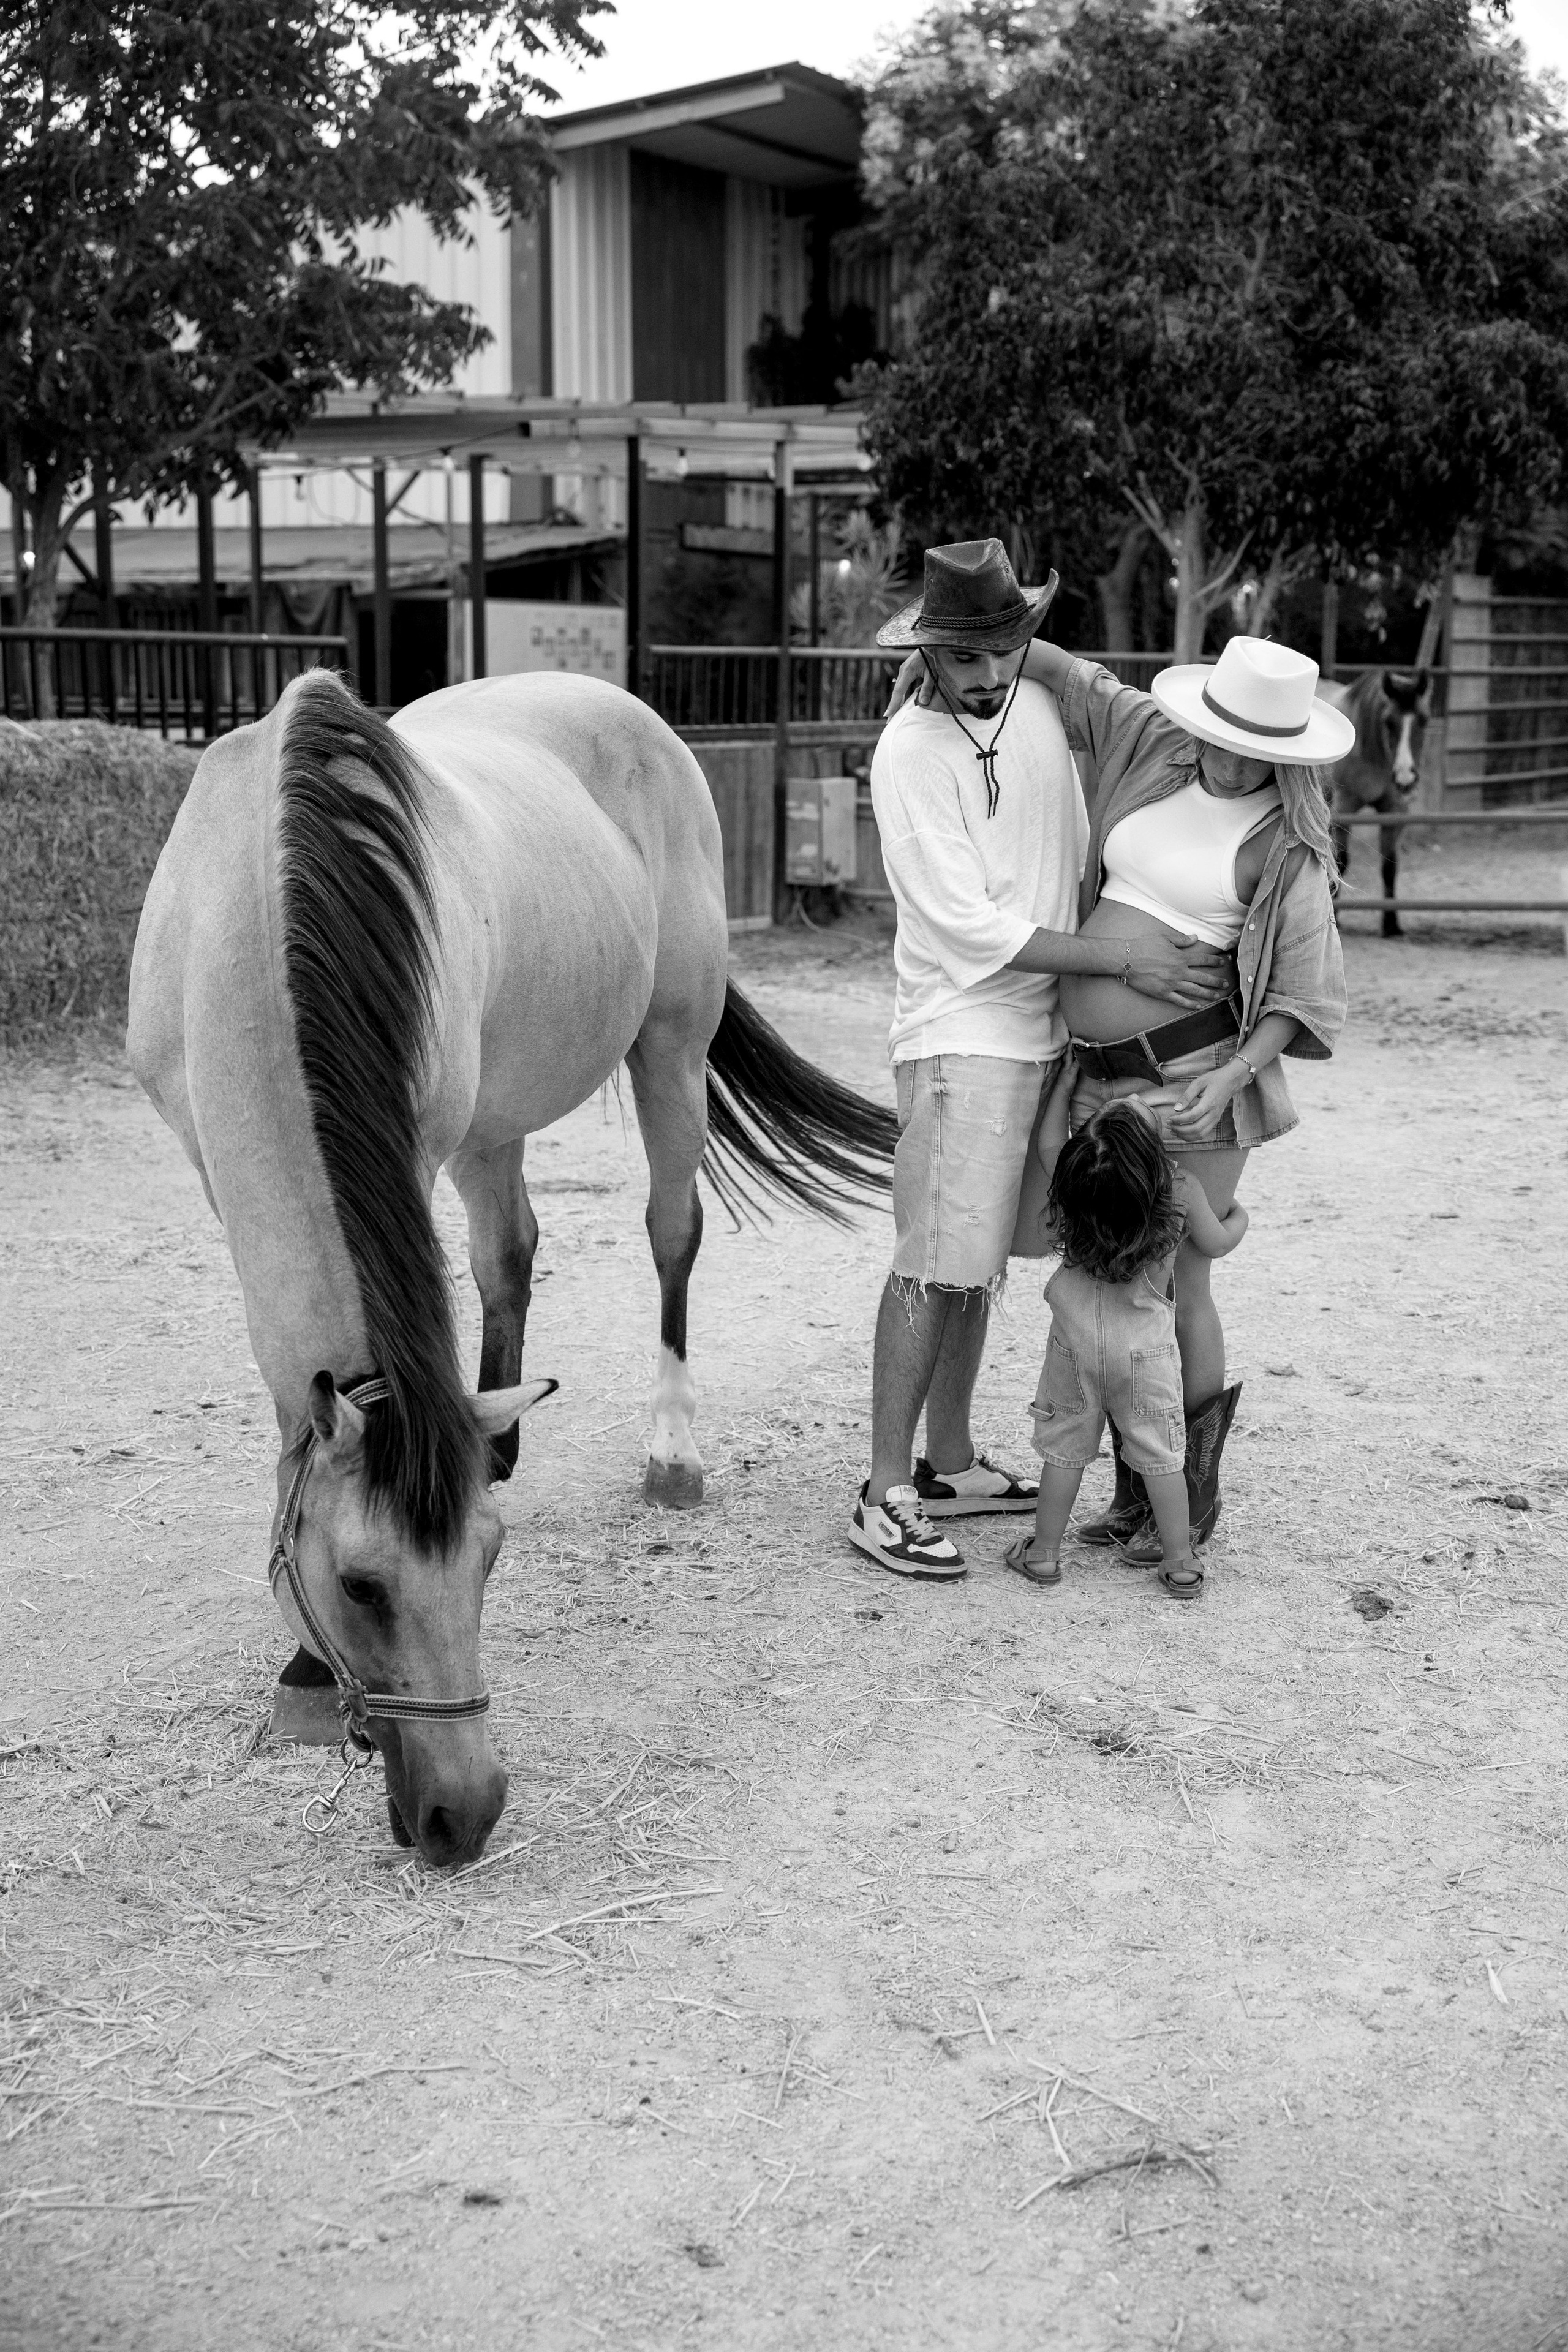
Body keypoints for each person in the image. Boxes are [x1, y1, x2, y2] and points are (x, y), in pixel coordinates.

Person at [887, 629, 1352, 1568]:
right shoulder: (1158, 744)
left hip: (1194, 1075)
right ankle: (1135, 1493)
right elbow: (1067, 672)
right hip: (1098, 1073)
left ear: (1285, 756)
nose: (1227, 759)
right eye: (1220, 735)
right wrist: (951, 647)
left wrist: (1232, 1075)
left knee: (1177, 1282)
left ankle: (1182, 1494)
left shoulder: (1286, 846)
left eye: (1253, 751)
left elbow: (1306, 992)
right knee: (1109, 1272)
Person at [850, 540, 1241, 1580]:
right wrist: (1125, 961)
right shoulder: (908, 757)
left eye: (1003, 649)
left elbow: (1081, 684)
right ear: (929, 653)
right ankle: (882, 1487)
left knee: (979, 1267)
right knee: (934, 1261)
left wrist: (1033, 652)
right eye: (963, 656)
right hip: (959, 1036)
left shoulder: (1032, 701)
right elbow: (969, 929)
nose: (986, 675)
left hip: (1036, 1036)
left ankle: (949, 1460)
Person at [1002, 1077, 1248, 1599]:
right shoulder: (1178, 1188)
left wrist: (1067, 1085)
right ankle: (1180, 1561)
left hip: (1073, 1351)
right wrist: (1241, 1218)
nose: (1130, 1099)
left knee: (1064, 1452)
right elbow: (1219, 1243)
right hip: (1147, 1355)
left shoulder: (1074, 1184)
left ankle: (1044, 1554)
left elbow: (1051, 1146)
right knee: (1161, 1454)